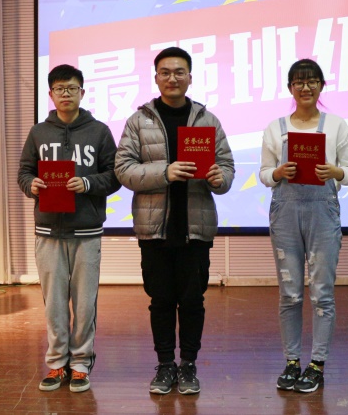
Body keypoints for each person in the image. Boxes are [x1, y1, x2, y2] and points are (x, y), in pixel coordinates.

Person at [114, 47, 235, 395]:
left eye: (179, 72)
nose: (172, 78)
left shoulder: (208, 120)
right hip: (155, 229)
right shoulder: (139, 121)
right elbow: (123, 169)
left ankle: (189, 364)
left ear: (190, 77)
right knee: (161, 300)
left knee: (193, 301)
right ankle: (166, 364)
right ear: (156, 78)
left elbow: (227, 167)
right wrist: (164, 172)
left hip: (196, 228)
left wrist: (220, 179)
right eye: (165, 72)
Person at [17, 64, 121, 393]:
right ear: (50, 94)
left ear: (82, 92)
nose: (66, 94)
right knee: (54, 304)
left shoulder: (99, 132)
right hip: (48, 231)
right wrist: (31, 184)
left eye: (72, 88)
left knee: (85, 303)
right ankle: (56, 362)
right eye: (60, 89)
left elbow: (115, 175)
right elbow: (24, 171)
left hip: (86, 231)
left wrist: (88, 184)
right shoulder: (39, 132)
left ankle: (80, 364)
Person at [259, 58, 348, 393]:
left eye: (312, 81)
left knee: (322, 293)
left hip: (322, 213)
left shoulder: (337, 125)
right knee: (289, 293)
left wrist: (336, 172)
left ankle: (317, 364)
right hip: (285, 215)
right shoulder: (275, 128)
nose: (306, 87)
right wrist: (277, 173)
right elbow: (264, 173)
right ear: (290, 88)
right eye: (299, 82)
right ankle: (291, 361)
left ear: (321, 86)